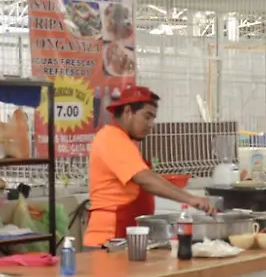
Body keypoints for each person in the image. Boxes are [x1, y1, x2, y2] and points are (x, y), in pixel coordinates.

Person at [84, 86, 216, 248]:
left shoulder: (125, 141)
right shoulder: (111, 138)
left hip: (125, 236)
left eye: (153, 118)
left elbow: (146, 178)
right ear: (127, 112)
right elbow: (145, 179)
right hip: (108, 239)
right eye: (147, 117)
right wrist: (190, 198)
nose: (151, 124)